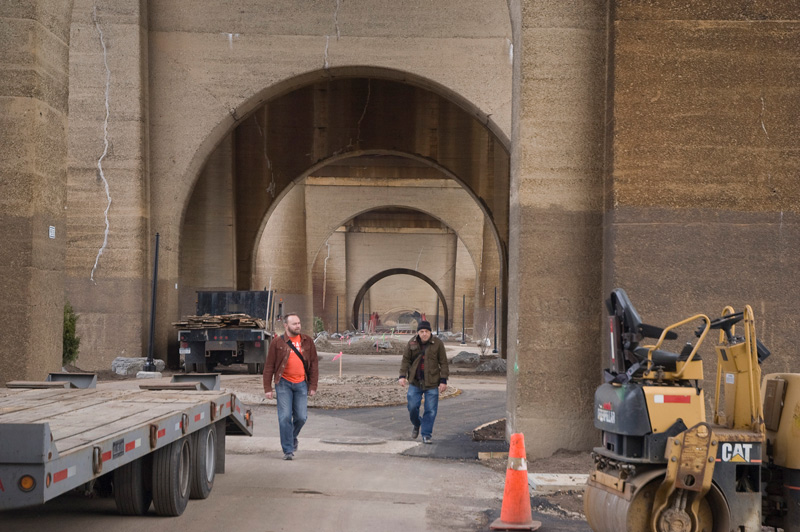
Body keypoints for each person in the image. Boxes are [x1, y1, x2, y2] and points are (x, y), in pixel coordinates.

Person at [263, 313, 319, 460]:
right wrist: (267, 388)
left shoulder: (307, 341)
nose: (298, 326)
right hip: (283, 384)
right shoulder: (277, 342)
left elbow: (313, 364)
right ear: (286, 326)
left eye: (299, 323)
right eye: (294, 324)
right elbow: (269, 366)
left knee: (301, 417)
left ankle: (291, 437)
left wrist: (313, 385)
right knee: (284, 417)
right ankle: (288, 450)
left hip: (301, 384)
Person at [398, 320, 449, 444]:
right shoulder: (412, 343)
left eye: (426, 331)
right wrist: (402, 376)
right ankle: (417, 423)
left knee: (430, 410)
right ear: (418, 332)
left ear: (430, 332)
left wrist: (443, 380)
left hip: (432, 382)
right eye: (422, 331)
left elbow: (443, 362)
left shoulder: (437, 343)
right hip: (415, 382)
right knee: (412, 407)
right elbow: (405, 360)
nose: (424, 334)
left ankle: (426, 434)